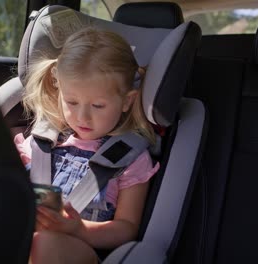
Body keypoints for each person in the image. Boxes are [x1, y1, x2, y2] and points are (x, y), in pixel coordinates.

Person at [14, 27, 160, 264]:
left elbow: (127, 228)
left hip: (82, 250)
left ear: (127, 101)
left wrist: (80, 229)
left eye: (98, 106)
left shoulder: (130, 159)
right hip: (26, 242)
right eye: (71, 101)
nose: (83, 117)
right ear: (59, 89)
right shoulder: (41, 144)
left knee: (43, 243)